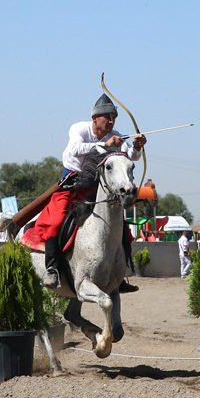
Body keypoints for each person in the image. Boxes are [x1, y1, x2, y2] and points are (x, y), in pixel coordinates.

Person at [29, 93, 146, 289]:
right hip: (71, 183)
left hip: (94, 187)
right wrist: (104, 144)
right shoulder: (79, 128)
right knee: (57, 219)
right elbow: (75, 149)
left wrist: (137, 147)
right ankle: (52, 269)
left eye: (114, 117)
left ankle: (121, 272)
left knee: (120, 223)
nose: (111, 121)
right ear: (95, 118)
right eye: (107, 116)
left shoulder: (115, 134)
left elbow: (130, 157)